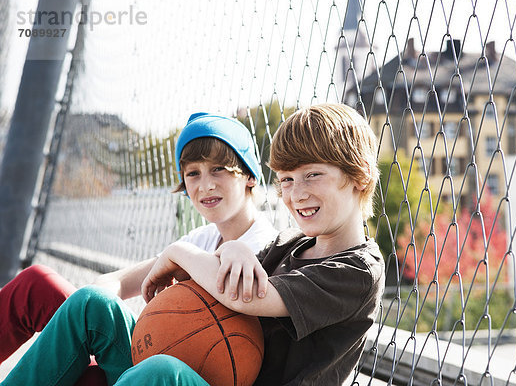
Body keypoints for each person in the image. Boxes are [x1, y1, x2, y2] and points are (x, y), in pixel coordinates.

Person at [1, 103, 385, 386]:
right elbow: (225, 267)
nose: (296, 193)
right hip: (205, 367)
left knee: (159, 373)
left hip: (208, 374)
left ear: (359, 177)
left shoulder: (357, 269)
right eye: (286, 180)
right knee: (90, 304)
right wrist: (230, 251)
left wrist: (177, 253)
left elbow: (245, 297)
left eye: (312, 175)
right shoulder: (291, 245)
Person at [0, 112, 277, 385]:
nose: (205, 185)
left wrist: (178, 253)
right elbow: (112, 282)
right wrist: (86, 328)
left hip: (186, 375)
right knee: (54, 290)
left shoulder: (267, 247)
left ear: (250, 176)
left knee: (104, 374)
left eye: (218, 169)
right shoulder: (202, 239)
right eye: (193, 173)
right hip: (159, 352)